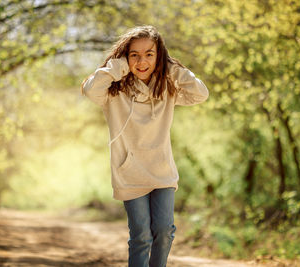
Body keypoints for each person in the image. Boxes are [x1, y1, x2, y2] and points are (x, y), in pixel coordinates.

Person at [81, 25, 209, 267]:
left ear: (159, 56)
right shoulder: (114, 91)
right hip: (129, 173)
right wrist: (118, 66)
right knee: (140, 235)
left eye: (149, 54)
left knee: (164, 230)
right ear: (125, 56)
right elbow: (90, 90)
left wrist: (170, 68)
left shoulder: (167, 87)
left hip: (161, 170)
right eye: (134, 55)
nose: (142, 61)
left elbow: (200, 94)